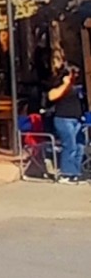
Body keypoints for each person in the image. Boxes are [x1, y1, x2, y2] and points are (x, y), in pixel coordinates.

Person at [44, 46, 85, 184]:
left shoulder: (79, 87)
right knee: (70, 145)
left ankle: (75, 172)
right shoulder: (60, 85)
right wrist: (66, 85)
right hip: (64, 118)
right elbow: (51, 96)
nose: (76, 76)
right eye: (73, 74)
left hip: (77, 118)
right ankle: (65, 173)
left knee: (80, 146)